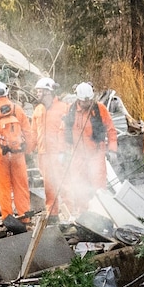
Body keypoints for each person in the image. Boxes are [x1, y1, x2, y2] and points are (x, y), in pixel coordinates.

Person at [58, 81, 114, 216]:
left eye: (89, 101)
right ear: (78, 99)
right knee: (79, 186)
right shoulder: (70, 111)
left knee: (99, 185)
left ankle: (102, 213)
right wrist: (62, 151)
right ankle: (83, 215)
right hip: (77, 155)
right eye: (84, 102)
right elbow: (62, 131)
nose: (86, 104)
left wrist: (112, 149)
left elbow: (111, 129)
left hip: (96, 154)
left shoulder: (100, 109)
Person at [0, 81, 33, 222]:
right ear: (7, 93)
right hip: (18, 153)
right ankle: (25, 216)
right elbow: (28, 132)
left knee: (3, 187)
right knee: (21, 185)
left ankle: (7, 217)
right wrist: (28, 151)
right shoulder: (17, 109)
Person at [29, 77, 64, 212]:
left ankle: (72, 212)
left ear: (48, 92)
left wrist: (65, 152)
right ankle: (52, 213)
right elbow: (33, 133)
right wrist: (28, 150)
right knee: (48, 185)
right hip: (43, 154)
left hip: (58, 154)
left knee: (63, 183)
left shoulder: (62, 108)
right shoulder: (38, 110)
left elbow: (68, 132)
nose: (37, 94)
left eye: (39, 91)